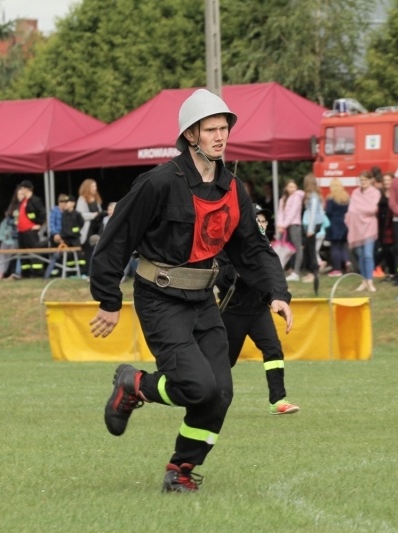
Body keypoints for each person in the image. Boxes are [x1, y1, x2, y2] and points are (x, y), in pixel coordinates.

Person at [88, 89, 293, 493]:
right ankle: (133, 385)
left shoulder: (234, 189)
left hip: (204, 301)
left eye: (224, 129)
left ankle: (180, 470)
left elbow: (252, 247)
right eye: (211, 129)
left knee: (220, 393)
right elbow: (115, 239)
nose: (220, 136)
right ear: (191, 135)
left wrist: (276, 293)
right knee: (197, 386)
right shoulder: (158, 183)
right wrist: (109, 300)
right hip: (159, 299)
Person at [216, 211, 299, 415]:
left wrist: (277, 298)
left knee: (273, 350)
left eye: (263, 220)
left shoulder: (263, 248)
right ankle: (204, 396)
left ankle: (278, 401)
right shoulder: (226, 244)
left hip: (259, 311)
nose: (261, 224)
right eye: (257, 221)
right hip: (233, 312)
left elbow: (272, 275)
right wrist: (237, 271)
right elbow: (219, 276)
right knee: (225, 361)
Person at [346, 170, 381, 292]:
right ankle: (363, 280)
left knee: (368, 255)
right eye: (361, 180)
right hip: (356, 228)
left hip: (369, 227)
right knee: (360, 255)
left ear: (371, 180)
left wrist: (358, 210)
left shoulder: (375, 192)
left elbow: (372, 209)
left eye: (365, 180)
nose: (363, 182)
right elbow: (351, 209)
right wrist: (356, 211)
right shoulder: (355, 192)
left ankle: (370, 280)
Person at [45, 195, 84, 278]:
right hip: (66, 238)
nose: (65, 204)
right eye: (63, 202)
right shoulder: (63, 214)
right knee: (67, 257)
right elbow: (61, 226)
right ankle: (68, 273)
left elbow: (81, 223)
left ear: (73, 203)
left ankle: (81, 272)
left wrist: (74, 231)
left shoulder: (77, 214)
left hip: (75, 238)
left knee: (79, 256)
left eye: (67, 202)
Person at [275, 178, 304, 280]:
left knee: (297, 248)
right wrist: (280, 224)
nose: (292, 189)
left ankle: (296, 272)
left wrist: (283, 225)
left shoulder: (297, 197)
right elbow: (280, 213)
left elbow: (293, 212)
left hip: (294, 225)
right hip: (285, 227)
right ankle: (286, 269)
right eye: (290, 186)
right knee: (287, 249)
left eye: (294, 186)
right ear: (286, 188)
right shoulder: (283, 199)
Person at [16, 180, 46, 278]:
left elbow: (42, 213)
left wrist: (39, 224)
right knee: (23, 253)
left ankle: (38, 272)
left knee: (34, 251)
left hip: (30, 231)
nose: (21, 190)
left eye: (22, 188)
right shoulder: (24, 201)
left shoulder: (35, 200)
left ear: (27, 189)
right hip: (21, 232)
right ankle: (25, 272)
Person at [301, 173, 326, 283]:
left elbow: (312, 214)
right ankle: (311, 272)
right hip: (315, 224)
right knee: (309, 249)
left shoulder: (313, 196)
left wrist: (310, 229)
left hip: (313, 225)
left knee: (311, 250)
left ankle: (314, 273)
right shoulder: (314, 195)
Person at [76, 179, 103, 275]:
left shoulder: (96, 199)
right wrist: (93, 215)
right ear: (88, 187)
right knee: (88, 251)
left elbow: (100, 212)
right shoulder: (82, 199)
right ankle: (89, 273)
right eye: (93, 186)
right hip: (88, 229)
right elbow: (80, 215)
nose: (95, 188)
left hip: (97, 228)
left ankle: (97, 272)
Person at [324, 179, 349, 276]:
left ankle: (337, 269)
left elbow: (329, 212)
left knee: (335, 247)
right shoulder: (346, 197)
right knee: (343, 246)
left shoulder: (331, 198)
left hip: (334, 224)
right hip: (344, 223)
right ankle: (347, 261)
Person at [375, 172, 395, 278]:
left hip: (391, 223)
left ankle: (394, 271)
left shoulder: (396, 193)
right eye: (385, 180)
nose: (387, 182)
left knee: (392, 249)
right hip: (381, 223)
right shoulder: (380, 193)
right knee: (385, 248)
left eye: (389, 180)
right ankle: (389, 272)